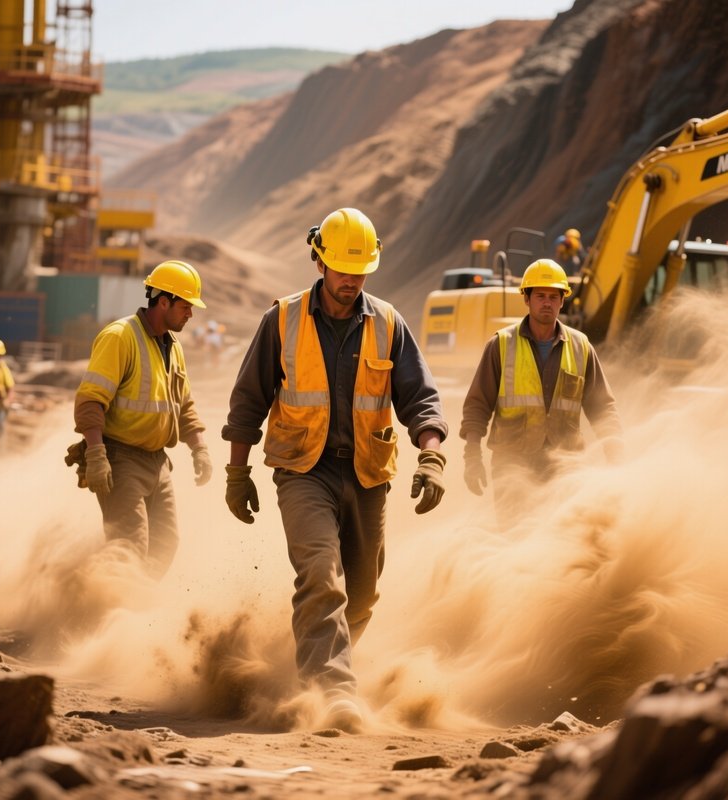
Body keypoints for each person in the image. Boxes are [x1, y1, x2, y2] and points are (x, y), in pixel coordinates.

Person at [222, 208, 448, 732]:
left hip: (368, 474)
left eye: (361, 269)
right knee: (322, 575)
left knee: (362, 591)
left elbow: (421, 399)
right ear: (318, 260)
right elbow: (247, 401)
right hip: (304, 470)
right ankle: (332, 692)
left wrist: (432, 455)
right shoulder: (282, 319)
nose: (351, 279)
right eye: (342, 268)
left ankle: (318, 659)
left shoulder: (389, 323)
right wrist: (238, 473)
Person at [72, 260, 213, 580]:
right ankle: (110, 619)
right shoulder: (120, 336)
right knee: (129, 546)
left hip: (157, 463)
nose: (191, 314)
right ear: (164, 301)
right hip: (121, 460)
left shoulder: (173, 346)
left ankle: (132, 608)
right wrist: (96, 455)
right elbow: (91, 400)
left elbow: (185, 404)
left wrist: (199, 448)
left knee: (166, 543)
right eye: (186, 306)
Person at [460, 259, 623, 520]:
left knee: (562, 537)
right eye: (540, 296)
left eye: (553, 296)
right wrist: (472, 457)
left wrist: (615, 452)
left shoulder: (581, 347)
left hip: (565, 467)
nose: (547, 302)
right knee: (513, 534)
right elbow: (477, 406)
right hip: (512, 465)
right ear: (526, 299)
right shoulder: (501, 345)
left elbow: (602, 407)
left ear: (562, 301)